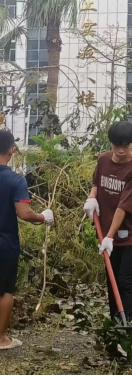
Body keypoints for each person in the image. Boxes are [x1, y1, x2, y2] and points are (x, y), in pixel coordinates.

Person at [83, 122, 132, 323]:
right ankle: (115, 323)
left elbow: (124, 206)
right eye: (116, 145)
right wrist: (92, 198)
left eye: (126, 146)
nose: (121, 151)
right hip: (108, 233)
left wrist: (109, 237)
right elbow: (97, 183)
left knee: (126, 281)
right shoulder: (103, 160)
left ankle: (127, 324)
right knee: (112, 281)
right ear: (111, 143)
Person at [0, 130, 54, 350]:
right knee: (5, 290)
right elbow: (24, 213)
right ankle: (1, 339)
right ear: (11, 150)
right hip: (5, 244)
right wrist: (43, 217)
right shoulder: (16, 180)